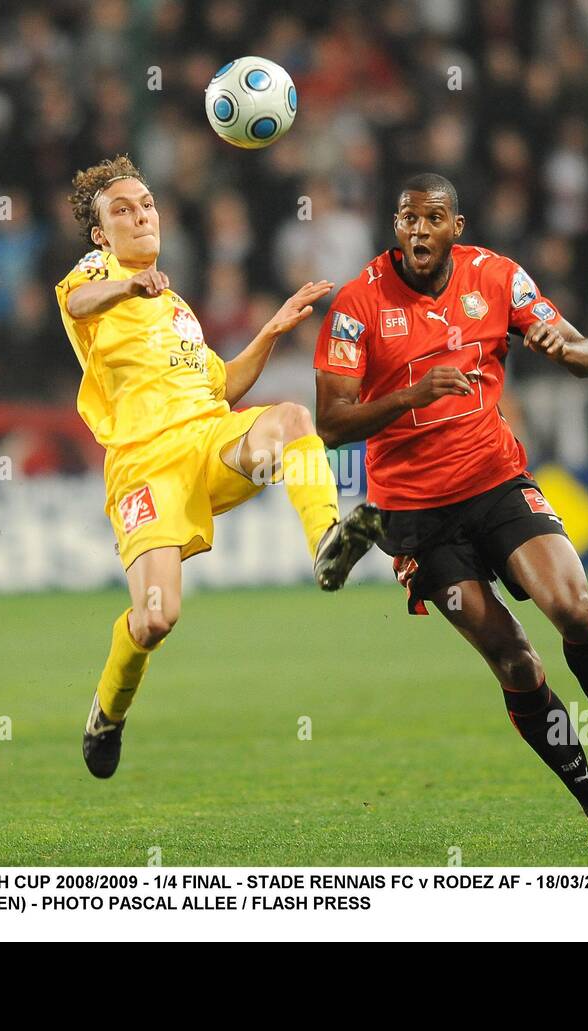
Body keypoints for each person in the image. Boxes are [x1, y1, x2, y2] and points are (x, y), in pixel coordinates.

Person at [313, 173, 588, 843]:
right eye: (407, 217)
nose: (418, 229)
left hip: (497, 481)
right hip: (417, 516)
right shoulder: (358, 304)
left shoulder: (497, 278)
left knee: (574, 606)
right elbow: (331, 423)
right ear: (396, 226)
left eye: (432, 218)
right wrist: (411, 394)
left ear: (457, 225)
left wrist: (566, 351)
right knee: (516, 662)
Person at [55, 155, 381, 779]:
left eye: (145, 204)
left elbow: (222, 386)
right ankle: (107, 711)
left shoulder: (177, 307)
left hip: (208, 441)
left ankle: (327, 541)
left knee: (288, 419)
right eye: (121, 210)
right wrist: (127, 284)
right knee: (155, 619)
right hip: (145, 466)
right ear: (101, 233)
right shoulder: (95, 275)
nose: (139, 215)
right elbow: (80, 306)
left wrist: (271, 330)